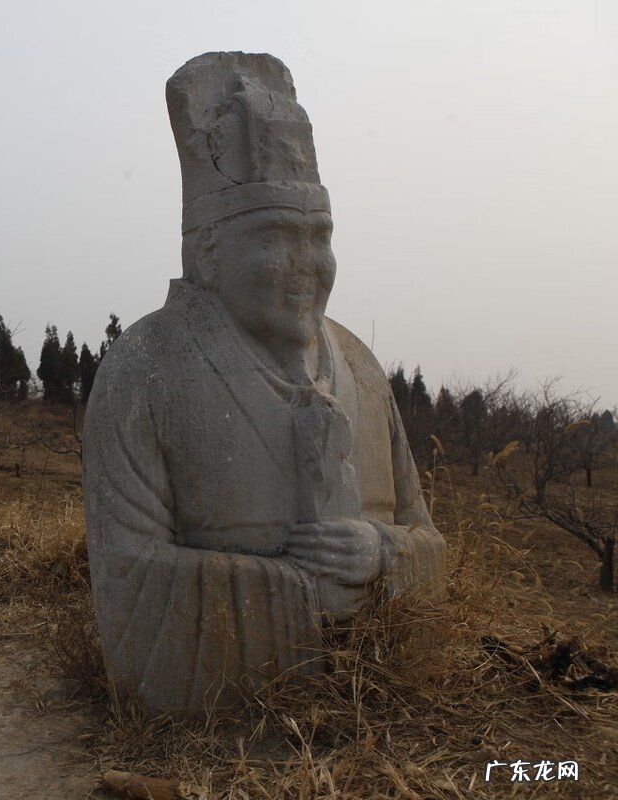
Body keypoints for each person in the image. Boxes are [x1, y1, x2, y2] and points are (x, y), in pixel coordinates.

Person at [83, 52, 446, 714]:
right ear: (208, 252)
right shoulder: (144, 367)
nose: (307, 264)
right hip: (229, 727)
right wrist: (300, 592)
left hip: (379, 711)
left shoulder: (360, 367)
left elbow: (429, 540)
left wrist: (381, 554)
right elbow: (126, 575)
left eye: (319, 237)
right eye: (276, 237)